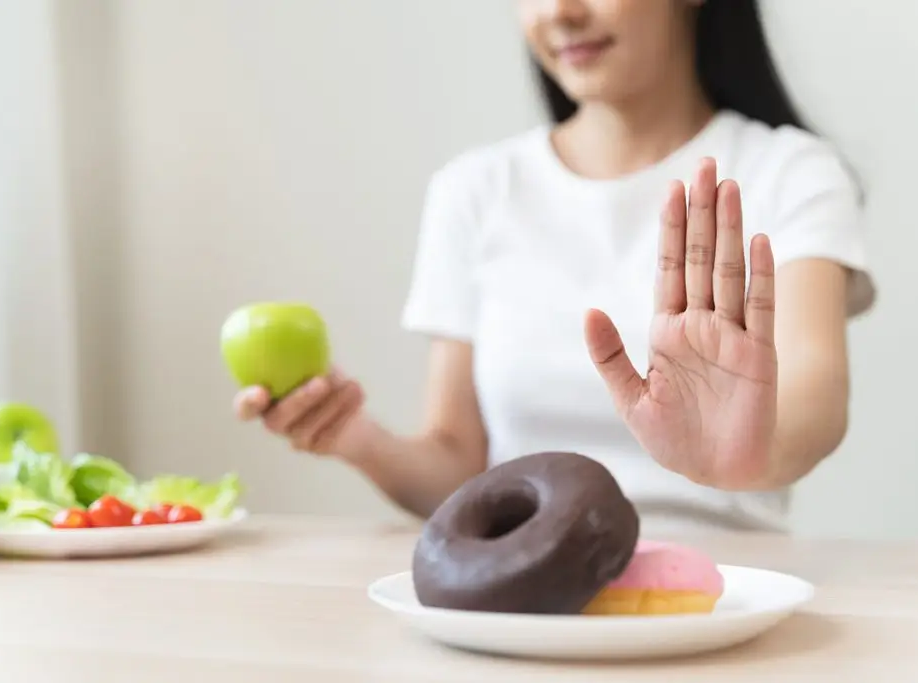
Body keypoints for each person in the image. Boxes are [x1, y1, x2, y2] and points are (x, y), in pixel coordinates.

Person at [234, 0, 876, 534]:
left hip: (725, 594)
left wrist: (748, 452)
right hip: (529, 597)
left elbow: (815, 398)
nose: (559, 12)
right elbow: (460, 470)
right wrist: (355, 437)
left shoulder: (791, 172)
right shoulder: (476, 189)